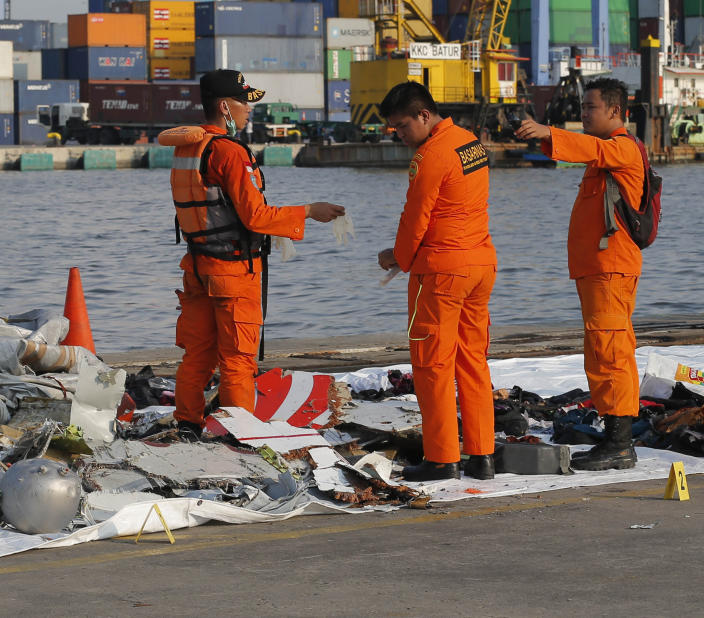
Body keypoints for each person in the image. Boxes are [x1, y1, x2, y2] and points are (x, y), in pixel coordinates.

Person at [157, 69, 346, 438]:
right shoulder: (229, 153)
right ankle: (238, 435)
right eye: (244, 103)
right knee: (237, 361)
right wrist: (308, 211)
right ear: (225, 107)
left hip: (197, 269)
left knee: (197, 355)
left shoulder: (187, 148)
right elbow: (256, 216)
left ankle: (187, 425)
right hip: (232, 274)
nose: (249, 111)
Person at [515, 78, 643, 471]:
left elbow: (587, 147)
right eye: (583, 108)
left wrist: (550, 132)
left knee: (612, 352)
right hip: (597, 271)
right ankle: (614, 439)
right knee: (602, 352)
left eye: (590, 108)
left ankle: (620, 444)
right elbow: (585, 151)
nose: (583, 114)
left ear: (616, 112)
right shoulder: (602, 156)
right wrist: (542, 139)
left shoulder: (622, 149)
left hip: (610, 271)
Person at [377, 82, 498, 481]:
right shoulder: (470, 144)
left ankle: (442, 458)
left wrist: (398, 259)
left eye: (401, 126)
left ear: (424, 116)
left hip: (443, 271)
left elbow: (416, 219)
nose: (398, 134)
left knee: (432, 364)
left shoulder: (430, 156)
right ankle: (482, 456)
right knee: (473, 361)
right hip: (479, 265)